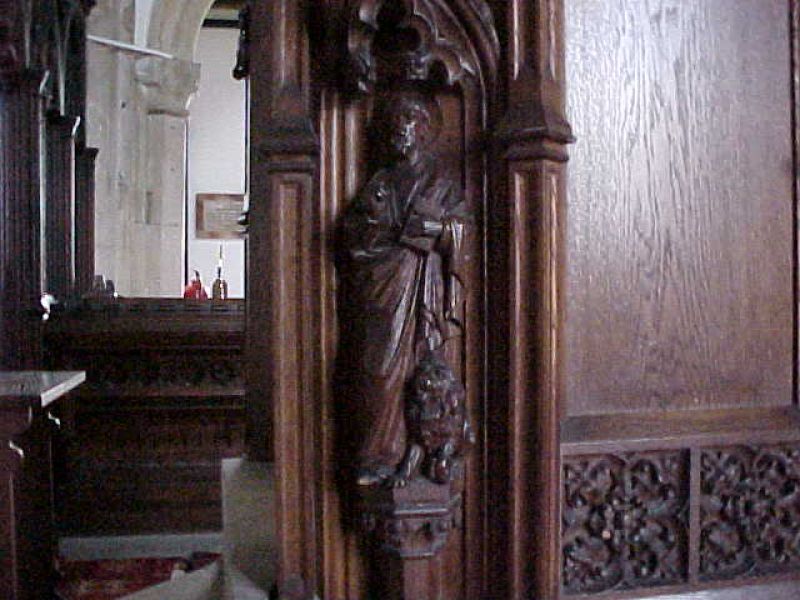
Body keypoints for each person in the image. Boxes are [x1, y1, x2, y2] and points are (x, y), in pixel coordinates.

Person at [338, 91, 468, 486]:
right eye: (395, 123)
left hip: (422, 288)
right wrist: (374, 226)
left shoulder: (441, 183)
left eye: (408, 121)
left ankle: (417, 453)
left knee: (419, 372)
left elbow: (464, 233)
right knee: (378, 370)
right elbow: (353, 234)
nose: (400, 130)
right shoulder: (381, 181)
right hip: (384, 288)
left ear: (424, 130)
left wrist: (438, 231)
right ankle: (379, 454)